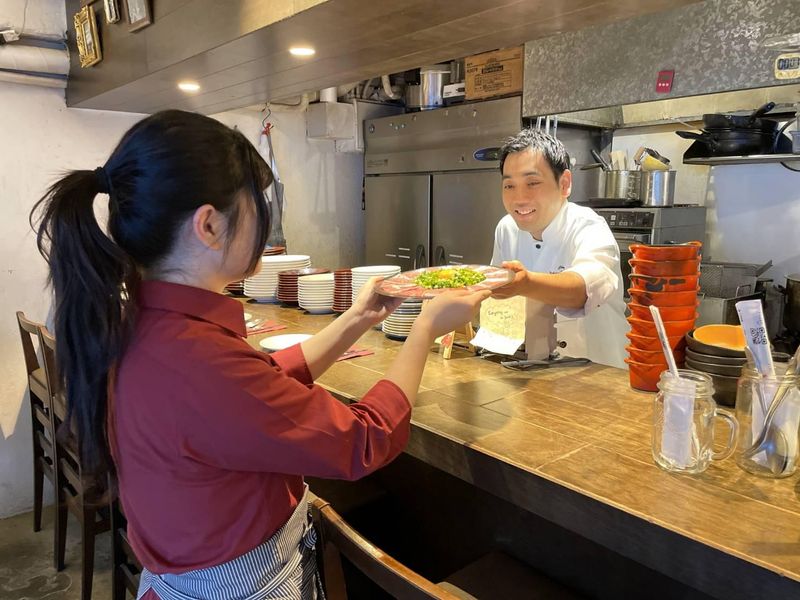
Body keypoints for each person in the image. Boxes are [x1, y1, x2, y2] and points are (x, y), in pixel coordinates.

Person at [31, 110, 489, 599]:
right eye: (255, 205)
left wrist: (358, 317)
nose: (264, 223)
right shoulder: (196, 359)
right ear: (208, 225)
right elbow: (363, 441)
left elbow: (261, 384)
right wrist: (425, 327)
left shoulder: (142, 325)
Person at [490, 129, 628, 368]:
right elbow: (498, 296)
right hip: (534, 369)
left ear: (564, 184)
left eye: (532, 183)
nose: (519, 198)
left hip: (600, 374)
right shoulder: (507, 228)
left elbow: (585, 291)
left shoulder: (588, 226)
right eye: (509, 186)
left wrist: (526, 284)